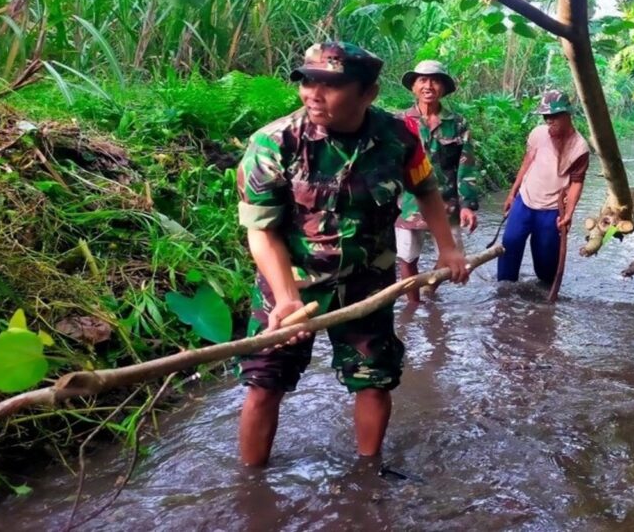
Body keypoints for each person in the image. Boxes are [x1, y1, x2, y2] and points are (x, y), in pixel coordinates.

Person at [235, 41, 468, 468]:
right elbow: (262, 231)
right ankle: (250, 486)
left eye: (331, 85)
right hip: (291, 282)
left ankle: (368, 475)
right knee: (265, 382)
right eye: (307, 82)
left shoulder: (399, 137)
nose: (313, 94)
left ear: (368, 93)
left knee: (374, 380)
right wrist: (286, 299)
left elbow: (427, 190)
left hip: (367, 283)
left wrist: (449, 248)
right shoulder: (274, 143)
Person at [395, 60, 479, 310]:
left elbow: (467, 165)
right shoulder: (399, 121)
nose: (428, 85)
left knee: (451, 255)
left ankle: (430, 287)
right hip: (407, 202)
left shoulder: (458, 123)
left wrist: (468, 205)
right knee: (406, 256)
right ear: (413, 87)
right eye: (422, 80)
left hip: (447, 202)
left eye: (434, 80)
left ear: (443, 87)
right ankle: (414, 305)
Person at [496, 89, 589, 285]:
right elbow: (526, 162)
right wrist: (512, 194)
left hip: (551, 210)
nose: (549, 121)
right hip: (525, 201)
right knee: (509, 245)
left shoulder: (580, 148)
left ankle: (544, 304)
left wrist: (568, 214)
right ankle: (503, 296)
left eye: (554, 116)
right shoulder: (538, 134)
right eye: (546, 116)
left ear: (567, 115)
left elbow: (576, 183)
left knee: (546, 265)